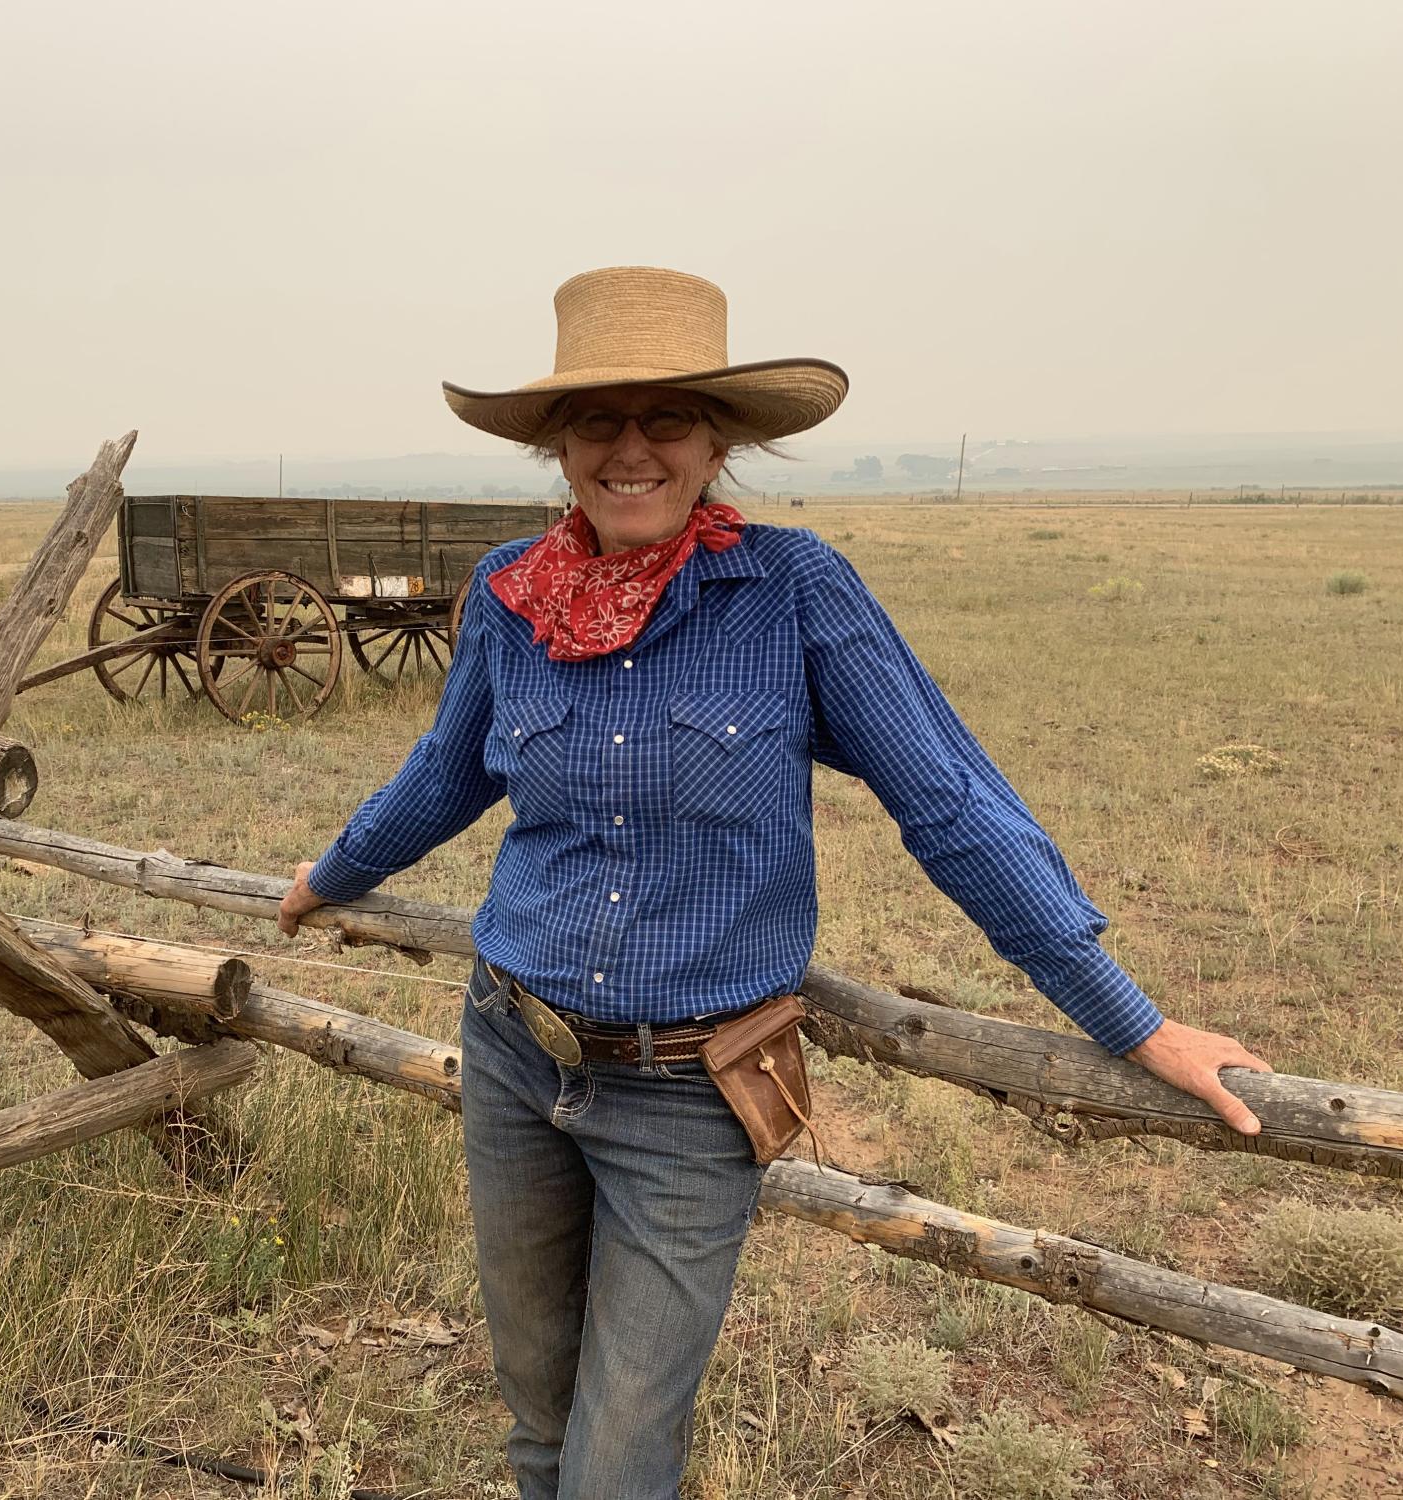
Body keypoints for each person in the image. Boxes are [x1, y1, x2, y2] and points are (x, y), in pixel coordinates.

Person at [277, 266, 1270, 1499]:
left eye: (667, 420)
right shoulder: (504, 594)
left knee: (617, 1457)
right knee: (536, 1418)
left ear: (717, 444)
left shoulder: (792, 592)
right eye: (598, 421)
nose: (630, 448)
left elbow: (950, 807)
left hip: (687, 1092)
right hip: (511, 1047)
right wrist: (331, 873)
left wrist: (1131, 1020)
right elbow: (447, 770)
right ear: (559, 448)